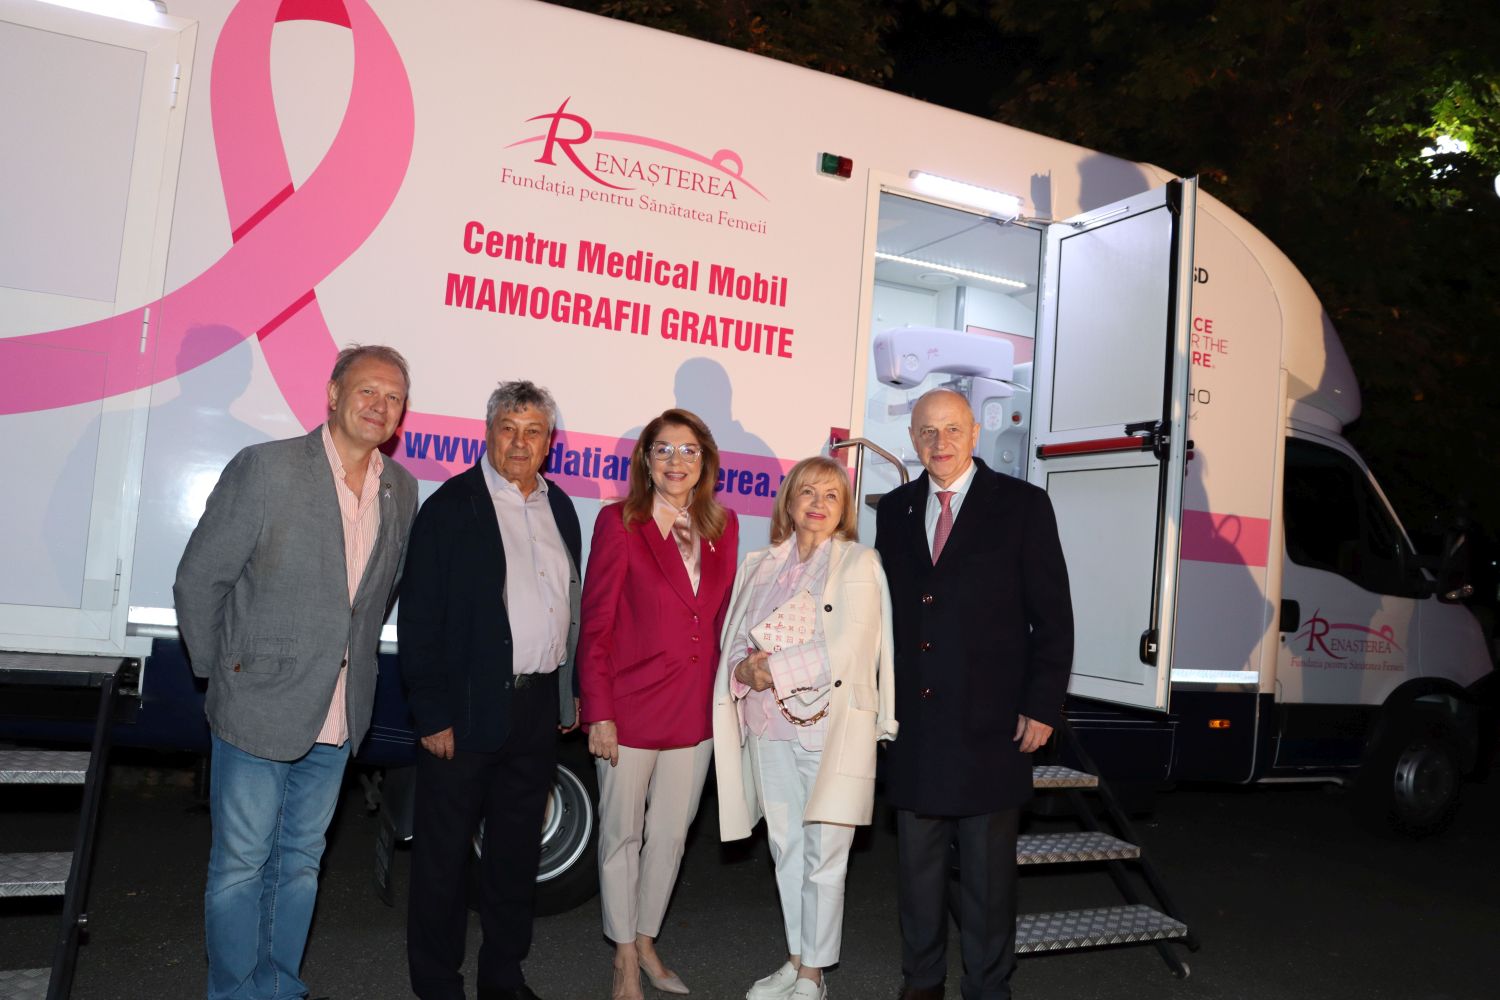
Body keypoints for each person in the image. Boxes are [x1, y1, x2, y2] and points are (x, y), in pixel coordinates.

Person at [174, 344, 418, 1000]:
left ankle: (279, 984)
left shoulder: (401, 488)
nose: (379, 405)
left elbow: (376, 595)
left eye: (393, 397)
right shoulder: (267, 468)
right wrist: (222, 674)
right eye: (367, 390)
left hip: (340, 711)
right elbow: (200, 580)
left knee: (302, 865)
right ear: (333, 394)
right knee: (240, 865)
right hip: (257, 704)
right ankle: (234, 991)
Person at [874, 388, 1074, 1000]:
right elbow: (884, 615)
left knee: (988, 878)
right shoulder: (895, 510)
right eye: (927, 431)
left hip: (993, 724)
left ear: (975, 434)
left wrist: (1042, 704)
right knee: (918, 872)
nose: (941, 442)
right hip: (915, 724)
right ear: (912, 439)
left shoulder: (1022, 505)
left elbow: (1053, 616)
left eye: (953, 429)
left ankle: (988, 987)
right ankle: (921, 982)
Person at [398, 381, 582, 1000]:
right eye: (509, 428)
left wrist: (568, 692)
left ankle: (503, 977)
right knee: (444, 859)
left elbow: (569, 606)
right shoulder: (452, 506)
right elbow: (419, 617)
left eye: (534, 432)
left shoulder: (561, 508)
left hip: (535, 710)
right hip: (465, 711)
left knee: (514, 858)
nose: (520, 443)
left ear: (549, 442)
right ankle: (437, 984)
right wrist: (432, 713)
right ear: (488, 433)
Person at [713, 456, 898, 1000]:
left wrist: (772, 669)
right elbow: (735, 639)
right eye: (808, 492)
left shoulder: (860, 563)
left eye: (831, 495)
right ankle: (796, 960)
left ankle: (815, 975)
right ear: (789, 503)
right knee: (786, 847)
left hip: (830, 729)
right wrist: (743, 670)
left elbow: (852, 646)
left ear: (843, 511)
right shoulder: (761, 564)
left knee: (825, 856)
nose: (818, 503)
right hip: (769, 726)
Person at [577, 408, 740, 1000]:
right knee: (621, 835)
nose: (677, 461)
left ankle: (647, 940)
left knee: (670, 836)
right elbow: (596, 623)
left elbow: (722, 622)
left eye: (689, 450)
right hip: (630, 709)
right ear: (646, 461)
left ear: (705, 462)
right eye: (664, 449)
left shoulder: (724, 526)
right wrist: (599, 710)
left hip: (695, 711)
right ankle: (623, 955)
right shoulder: (619, 521)